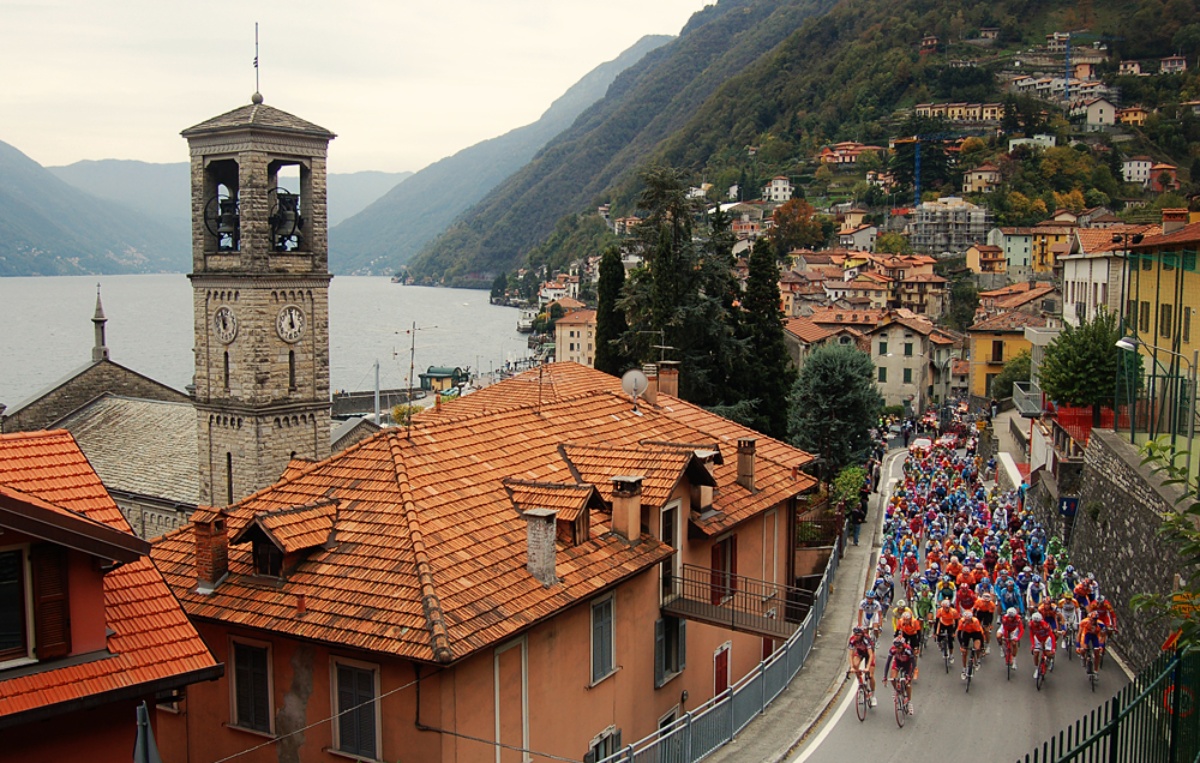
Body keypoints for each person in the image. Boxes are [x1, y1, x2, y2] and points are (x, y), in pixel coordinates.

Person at [886, 634, 917, 714]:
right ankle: (896, 690)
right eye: (896, 647)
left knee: (908, 684)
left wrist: (910, 676)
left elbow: (913, 664)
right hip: (898, 663)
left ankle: (909, 702)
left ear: (903, 646)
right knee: (892, 678)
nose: (897, 650)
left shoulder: (908, 649)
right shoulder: (893, 650)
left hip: (907, 665)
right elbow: (888, 663)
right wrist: (884, 677)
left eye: (899, 648)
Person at [848, 626, 877, 706]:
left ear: (861, 635)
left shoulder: (866, 639)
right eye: (855, 634)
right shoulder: (852, 639)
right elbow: (850, 655)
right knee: (855, 664)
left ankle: (873, 695)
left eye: (858, 635)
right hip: (860, 652)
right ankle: (860, 684)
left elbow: (871, 655)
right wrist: (852, 667)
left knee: (870, 675)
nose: (856, 636)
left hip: (869, 653)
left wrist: (867, 667)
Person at [956, 609, 986, 680]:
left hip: (976, 633)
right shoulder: (961, 621)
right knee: (964, 652)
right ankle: (964, 669)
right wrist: (961, 646)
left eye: (968, 620)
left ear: (971, 618)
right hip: (966, 633)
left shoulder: (975, 621)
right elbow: (959, 634)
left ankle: (977, 660)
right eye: (965, 619)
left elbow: (979, 635)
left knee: (977, 647)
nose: (966, 621)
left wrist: (982, 647)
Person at [1029, 611, 1057, 677]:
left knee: (1048, 654)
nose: (1035, 623)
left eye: (1037, 622)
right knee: (1036, 654)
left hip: (1046, 638)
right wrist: (1033, 645)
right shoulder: (1031, 624)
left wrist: (1053, 648)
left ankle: (1050, 659)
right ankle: (1036, 669)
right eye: (1034, 622)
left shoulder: (1045, 625)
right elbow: (1031, 635)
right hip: (1038, 638)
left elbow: (1052, 636)